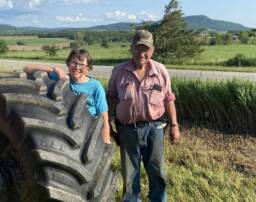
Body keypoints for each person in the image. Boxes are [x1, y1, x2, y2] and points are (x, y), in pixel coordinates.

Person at [107, 30, 180, 202]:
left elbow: (169, 99)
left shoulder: (160, 71)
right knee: (130, 174)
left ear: (152, 50)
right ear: (131, 49)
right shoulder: (119, 71)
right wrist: (108, 124)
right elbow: (110, 98)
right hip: (127, 131)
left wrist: (175, 125)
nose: (142, 53)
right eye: (138, 48)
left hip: (154, 129)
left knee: (157, 172)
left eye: (146, 49)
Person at [23, 48, 111, 144]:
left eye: (81, 65)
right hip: (64, 129)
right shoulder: (62, 79)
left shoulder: (95, 86)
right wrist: (54, 69)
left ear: (88, 68)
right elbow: (27, 68)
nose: (77, 67)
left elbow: (104, 119)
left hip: (86, 131)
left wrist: (106, 142)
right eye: (74, 63)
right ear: (68, 64)